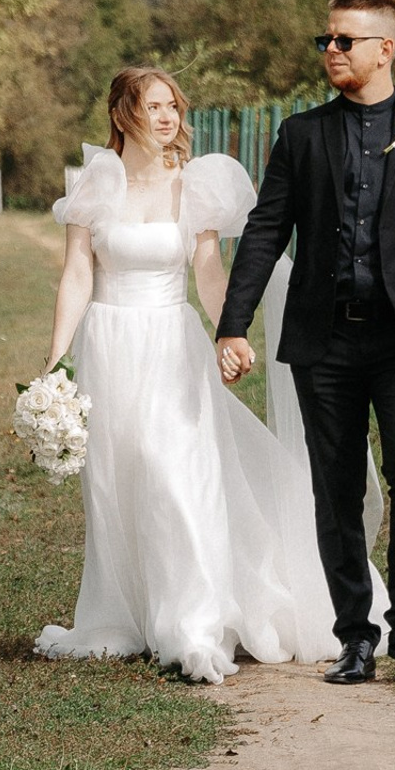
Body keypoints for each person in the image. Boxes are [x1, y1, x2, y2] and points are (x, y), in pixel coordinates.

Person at [31, 67, 360, 683]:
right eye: (154, 106)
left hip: (170, 344)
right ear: (123, 112)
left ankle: (193, 622)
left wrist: (228, 333)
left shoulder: (195, 186)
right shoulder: (93, 184)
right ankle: (127, 614)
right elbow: (77, 273)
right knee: (118, 479)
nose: (168, 118)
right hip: (109, 342)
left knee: (174, 473)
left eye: (174, 108)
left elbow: (210, 273)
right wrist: (55, 362)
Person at [215, 0, 395, 683]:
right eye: (327, 40)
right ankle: (355, 636)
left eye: (344, 40)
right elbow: (265, 234)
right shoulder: (302, 135)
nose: (331, 51)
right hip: (323, 344)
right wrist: (233, 323)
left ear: (384, 50)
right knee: (335, 488)